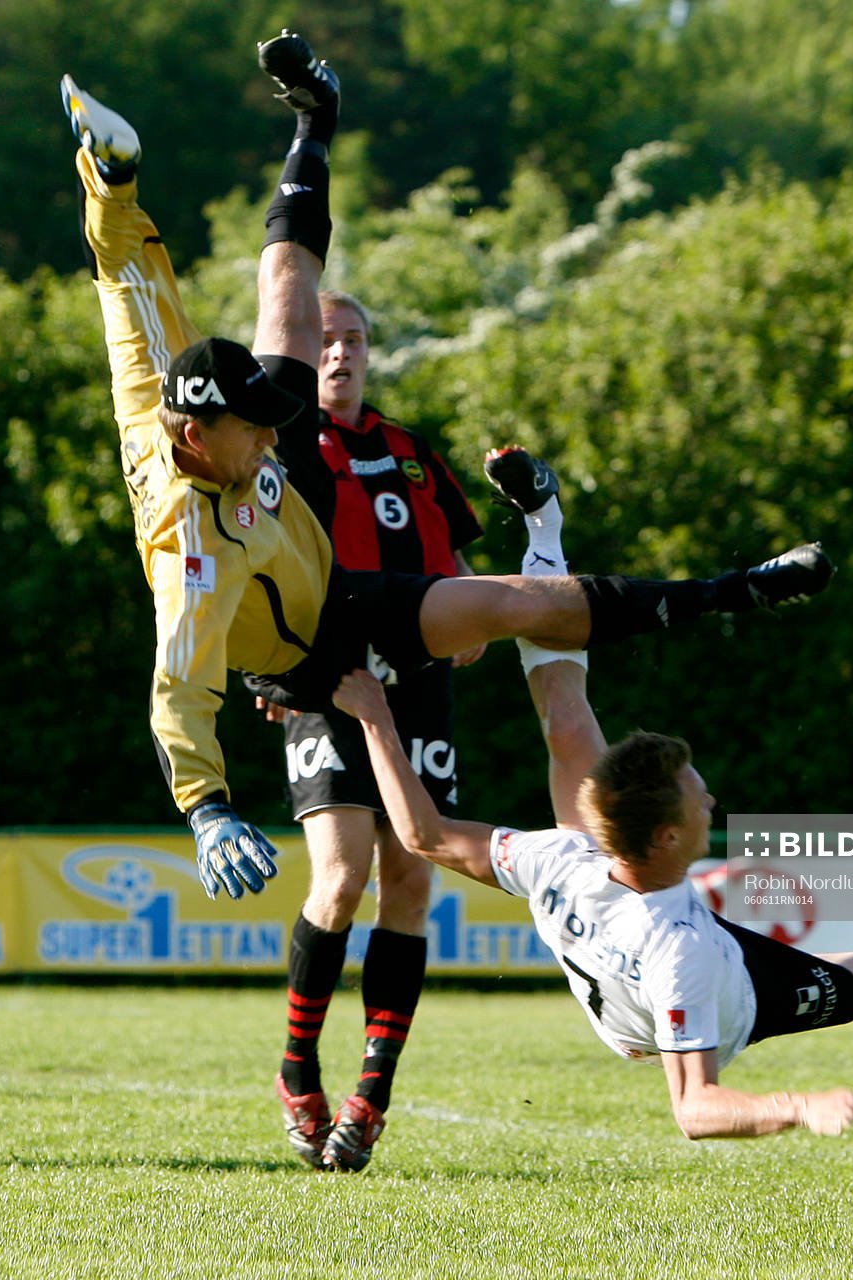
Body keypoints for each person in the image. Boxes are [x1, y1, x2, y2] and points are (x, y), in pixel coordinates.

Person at [60, 37, 835, 920]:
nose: (280, 427)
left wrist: (110, 181)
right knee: (391, 816)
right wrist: (206, 810)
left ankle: (317, 116)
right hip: (306, 651)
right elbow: (178, 695)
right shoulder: (191, 555)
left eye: (278, 417)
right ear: (196, 437)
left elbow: (126, 278)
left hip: (324, 566)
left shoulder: (196, 405)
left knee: (289, 294)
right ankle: (305, 1058)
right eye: (258, 426)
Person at [329, 449, 853, 1143]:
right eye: (697, 800)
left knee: (564, 719)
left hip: (630, 924)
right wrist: (798, 1105)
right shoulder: (678, 950)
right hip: (732, 995)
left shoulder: (560, 855)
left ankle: (543, 524)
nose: (711, 802)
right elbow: (694, 1109)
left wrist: (374, 718)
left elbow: (423, 834)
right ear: (663, 838)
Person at [267, 289, 487, 1173]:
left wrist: (476, 622)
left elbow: (460, 566)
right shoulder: (282, 447)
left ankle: (371, 1095)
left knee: (409, 880)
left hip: (419, 693)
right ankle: (296, 1074)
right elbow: (256, 569)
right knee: (344, 874)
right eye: (325, 341)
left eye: (353, 340)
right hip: (330, 682)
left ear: (369, 352)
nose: (340, 355)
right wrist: (270, 668)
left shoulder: (411, 453)